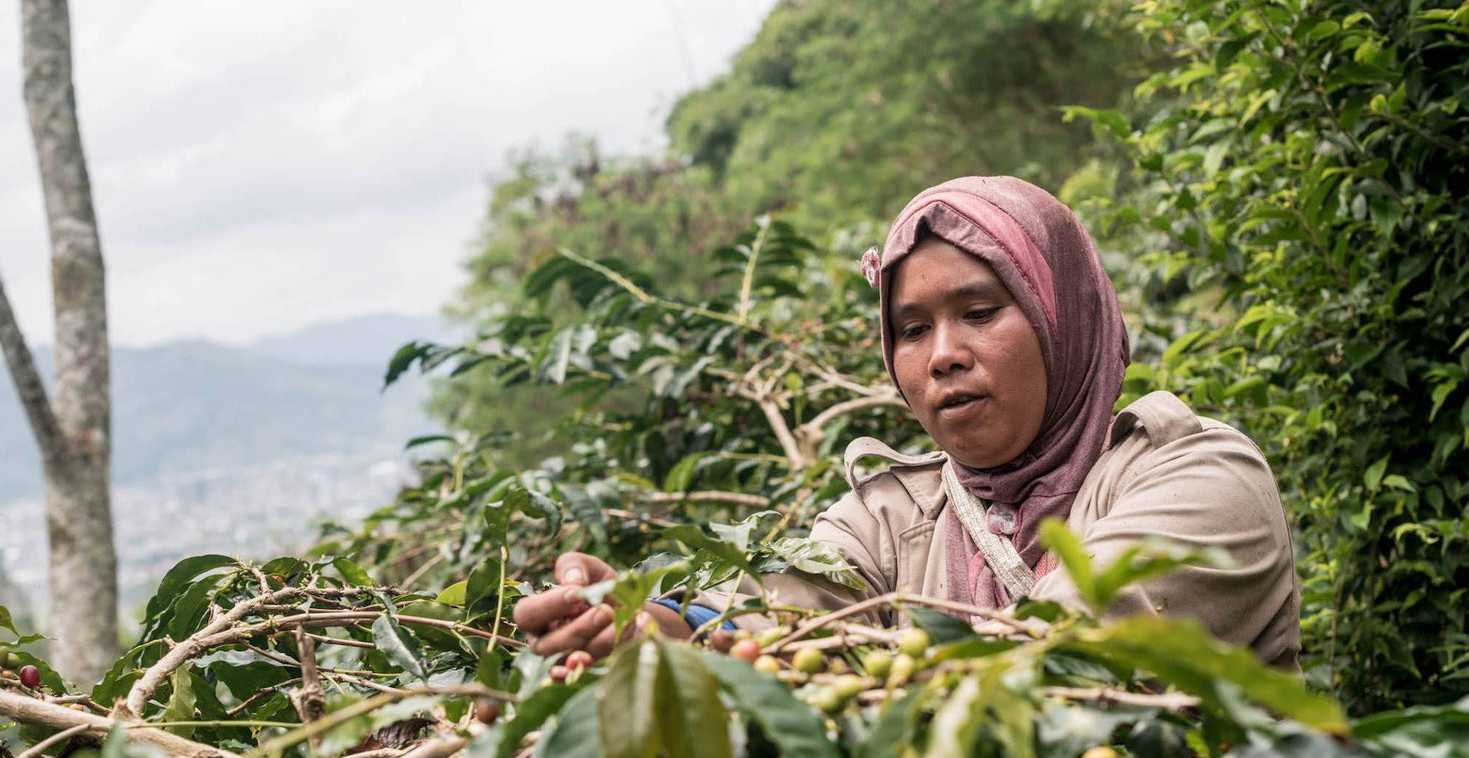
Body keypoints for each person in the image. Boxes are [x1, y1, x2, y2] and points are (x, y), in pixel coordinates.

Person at [512, 176, 1301, 669]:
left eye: (982, 313)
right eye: (913, 331)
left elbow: (1054, 668)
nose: (943, 356)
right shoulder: (891, 516)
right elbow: (769, 626)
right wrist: (648, 629)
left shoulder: (1200, 481)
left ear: (1066, 318)